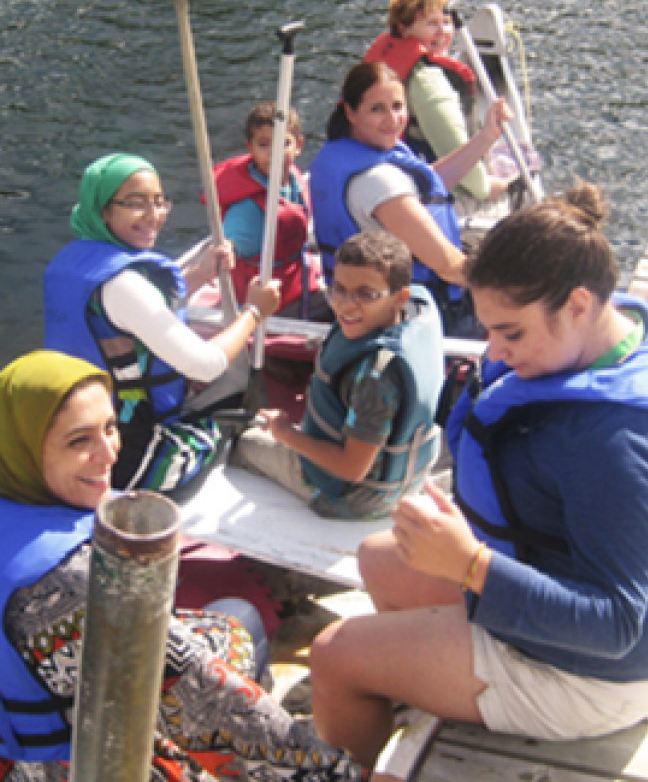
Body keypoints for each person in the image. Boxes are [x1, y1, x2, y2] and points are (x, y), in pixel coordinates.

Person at [307, 183, 648, 768]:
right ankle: (420, 688)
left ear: (579, 304)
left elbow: (613, 624)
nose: (498, 353)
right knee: (380, 557)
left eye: (512, 333)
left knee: (333, 654)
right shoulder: (624, 329)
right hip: (558, 607)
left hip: (594, 679)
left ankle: (377, 724)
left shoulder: (622, 445)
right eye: (489, 330)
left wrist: (470, 565)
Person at [0, 350, 364, 781]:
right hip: (70, 770)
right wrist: (336, 772)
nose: (109, 453)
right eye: (78, 441)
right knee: (238, 618)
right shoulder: (75, 583)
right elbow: (219, 712)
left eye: (111, 429)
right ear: (28, 446)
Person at [43, 153, 280, 499]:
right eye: (136, 203)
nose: (154, 215)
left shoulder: (77, 261)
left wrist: (200, 274)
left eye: (159, 201)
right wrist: (255, 313)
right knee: (227, 411)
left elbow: (131, 313)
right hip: (122, 450)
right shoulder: (123, 283)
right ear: (103, 210)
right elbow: (205, 363)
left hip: (69, 426)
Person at [233, 231, 444, 520]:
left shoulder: (376, 376)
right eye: (340, 288)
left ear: (399, 298)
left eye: (366, 294)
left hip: (355, 497)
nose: (346, 304)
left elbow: (351, 469)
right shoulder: (416, 312)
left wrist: (287, 434)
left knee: (242, 445)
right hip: (401, 476)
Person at [309, 61, 509, 337]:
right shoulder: (375, 183)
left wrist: (486, 137)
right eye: (376, 109)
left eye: (398, 106)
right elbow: (448, 265)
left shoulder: (364, 152)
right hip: (422, 314)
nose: (392, 120)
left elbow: (427, 184)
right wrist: (508, 289)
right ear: (350, 112)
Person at [363, 0, 506, 204]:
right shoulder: (427, 82)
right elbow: (459, 159)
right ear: (404, 28)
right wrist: (490, 187)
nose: (443, 33)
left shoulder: (385, 59)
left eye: (446, 23)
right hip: (435, 194)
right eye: (431, 24)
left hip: (383, 177)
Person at [215, 101, 327, 320]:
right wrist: (227, 249)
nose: (274, 153)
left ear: (298, 145)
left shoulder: (292, 178)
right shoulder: (247, 209)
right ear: (250, 148)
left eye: (283, 143)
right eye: (264, 144)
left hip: (297, 280)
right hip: (271, 304)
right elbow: (229, 246)